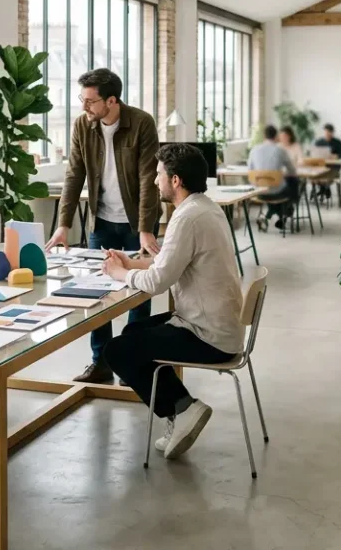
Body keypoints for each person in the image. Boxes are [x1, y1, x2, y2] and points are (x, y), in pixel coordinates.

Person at [100, 143, 245, 460]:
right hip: (217, 325)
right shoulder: (205, 208)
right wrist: (129, 263)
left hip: (209, 336)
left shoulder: (187, 218)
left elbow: (157, 282)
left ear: (175, 180)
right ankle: (181, 410)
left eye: (159, 174)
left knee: (117, 350)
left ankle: (184, 408)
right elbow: (167, 262)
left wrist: (119, 274)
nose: (155, 180)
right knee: (132, 334)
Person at [46, 68, 160, 385]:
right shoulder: (83, 125)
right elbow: (74, 175)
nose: (84, 106)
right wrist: (63, 224)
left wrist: (145, 228)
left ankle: (133, 360)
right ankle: (101, 362)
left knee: (140, 288)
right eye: (82, 99)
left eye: (90, 101)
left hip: (137, 223)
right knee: (96, 290)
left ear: (112, 101)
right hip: (103, 221)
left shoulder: (141, 123)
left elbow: (148, 178)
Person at [248, 124, 297, 230]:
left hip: (259, 192)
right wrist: (280, 173)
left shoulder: (254, 149)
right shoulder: (280, 150)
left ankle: (270, 217)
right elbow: (292, 171)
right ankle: (285, 214)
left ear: (264, 136)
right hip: (277, 193)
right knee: (293, 187)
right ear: (276, 137)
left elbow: (250, 170)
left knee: (275, 191)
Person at [313, 124, 341, 202]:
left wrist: (336, 156)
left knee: (327, 176)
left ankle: (325, 188)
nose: (327, 134)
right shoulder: (319, 142)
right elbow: (313, 153)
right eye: (326, 132)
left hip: (334, 167)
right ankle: (324, 189)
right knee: (315, 176)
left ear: (332, 133)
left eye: (329, 132)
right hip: (321, 166)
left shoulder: (337, 142)